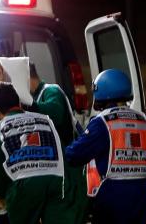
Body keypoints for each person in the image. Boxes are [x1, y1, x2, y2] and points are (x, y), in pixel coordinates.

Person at [65, 69, 146, 224]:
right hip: (143, 190)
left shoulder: (103, 122)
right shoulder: (142, 120)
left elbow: (73, 155)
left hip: (115, 192)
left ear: (103, 92)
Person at [0, 82, 69, 224]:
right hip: (57, 181)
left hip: (25, 188)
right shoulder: (45, 120)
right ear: (19, 102)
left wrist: (0, 195)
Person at [25, 62, 89, 223]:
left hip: (69, 176)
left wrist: (28, 105)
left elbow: (56, 113)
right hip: (57, 175)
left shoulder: (51, 91)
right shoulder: (36, 97)